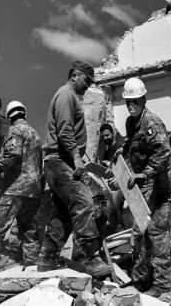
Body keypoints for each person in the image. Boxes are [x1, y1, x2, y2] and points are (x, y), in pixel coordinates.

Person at [35, 60, 110, 278]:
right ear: (75, 75)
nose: (88, 86)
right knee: (83, 201)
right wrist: (77, 157)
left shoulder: (69, 96)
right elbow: (64, 130)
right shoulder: (66, 95)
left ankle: (47, 257)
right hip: (59, 161)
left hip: (58, 162)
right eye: (87, 80)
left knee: (65, 214)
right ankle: (91, 257)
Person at [122, 77, 171, 297]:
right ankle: (141, 281)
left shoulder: (152, 122)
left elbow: (163, 154)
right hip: (142, 191)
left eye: (135, 101)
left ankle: (161, 286)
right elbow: (131, 147)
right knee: (139, 234)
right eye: (128, 101)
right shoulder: (130, 123)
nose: (131, 105)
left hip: (158, 189)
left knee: (157, 236)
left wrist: (145, 173)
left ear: (144, 99)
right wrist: (120, 155)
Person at [0, 100, 42, 277]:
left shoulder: (15, 130)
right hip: (34, 190)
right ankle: (32, 269)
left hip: (15, 189)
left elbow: (13, 154)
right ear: (24, 113)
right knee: (29, 230)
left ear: (9, 116)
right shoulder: (35, 133)